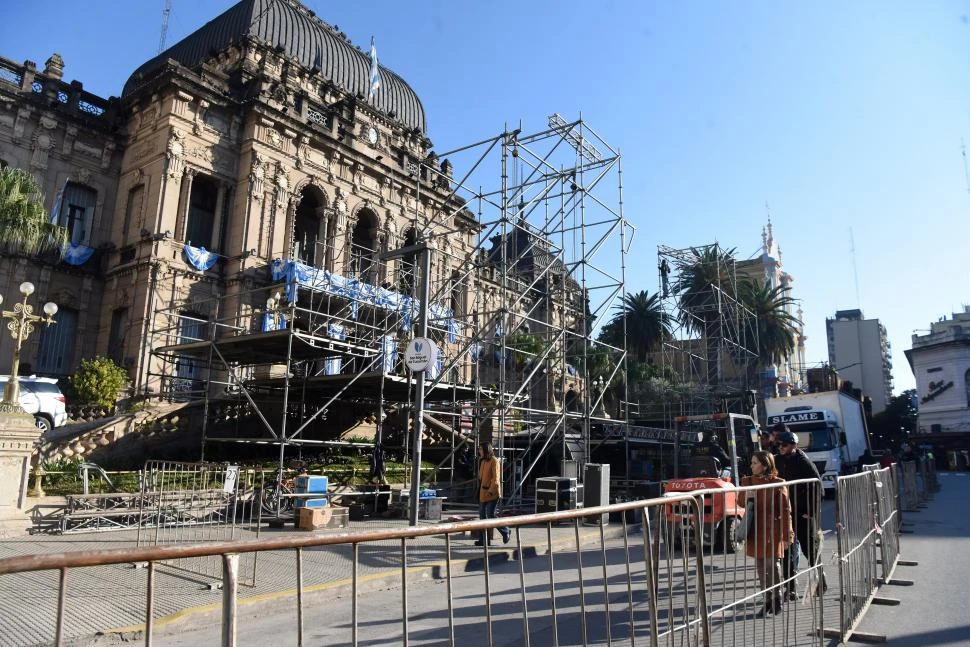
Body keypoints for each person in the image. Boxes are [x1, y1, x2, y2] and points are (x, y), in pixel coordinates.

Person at [740, 451, 794, 616]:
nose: (752, 465)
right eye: (752, 462)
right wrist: (746, 496)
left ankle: (776, 598)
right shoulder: (748, 481)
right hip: (754, 530)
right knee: (761, 568)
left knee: (772, 566)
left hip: (772, 530)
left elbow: (786, 510)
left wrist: (787, 535)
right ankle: (767, 600)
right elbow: (740, 503)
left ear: (765, 465)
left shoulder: (778, 483)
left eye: (755, 462)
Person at [774, 429, 824, 597]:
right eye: (778, 445)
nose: (780, 447)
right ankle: (791, 588)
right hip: (786, 513)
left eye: (784, 445)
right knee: (787, 551)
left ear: (794, 445)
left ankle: (820, 582)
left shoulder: (804, 462)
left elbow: (817, 486)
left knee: (810, 550)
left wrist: (811, 512)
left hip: (803, 513)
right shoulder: (777, 460)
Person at [477, 442, 511, 546]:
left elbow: (496, 479)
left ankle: (506, 531)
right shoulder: (483, 461)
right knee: (482, 516)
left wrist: (490, 491)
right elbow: (481, 477)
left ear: (486, 450)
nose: (479, 451)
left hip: (492, 493)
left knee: (491, 515)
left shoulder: (494, 461)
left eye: (481, 449)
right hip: (483, 492)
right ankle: (484, 540)